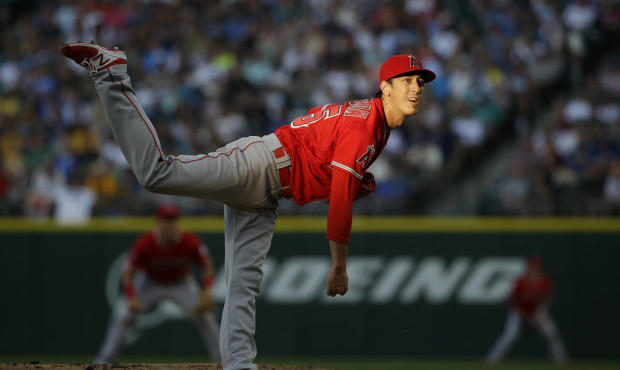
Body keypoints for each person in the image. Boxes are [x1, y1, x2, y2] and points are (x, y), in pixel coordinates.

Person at [60, 41, 435, 370]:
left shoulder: (375, 122)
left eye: (419, 81)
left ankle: (238, 366)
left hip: (268, 192)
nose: (416, 87)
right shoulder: (366, 125)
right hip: (259, 165)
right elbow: (339, 197)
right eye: (406, 80)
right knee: (157, 173)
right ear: (384, 86)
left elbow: (329, 168)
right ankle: (112, 74)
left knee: (243, 284)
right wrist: (339, 266)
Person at [95, 203, 221, 364]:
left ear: (178, 222)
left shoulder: (190, 241)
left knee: (205, 317)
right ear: (158, 222)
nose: (169, 224)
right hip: (150, 283)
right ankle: (103, 362)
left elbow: (207, 267)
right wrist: (131, 297)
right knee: (123, 315)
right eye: (166, 220)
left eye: (173, 220)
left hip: (180, 283)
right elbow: (128, 272)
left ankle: (222, 362)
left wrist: (209, 290)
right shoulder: (146, 243)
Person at [485, 255, 569, 364]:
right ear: (528, 269)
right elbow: (511, 300)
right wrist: (519, 312)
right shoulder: (521, 282)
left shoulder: (545, 282)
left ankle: (560, 359)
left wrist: (542, 312)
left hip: (536, 313)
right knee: (511, 335)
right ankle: (492, 358)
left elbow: (548, 298)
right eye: (532, 268)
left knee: (551, 331)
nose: (534, 271)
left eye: (536, 269)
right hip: (519, 312)